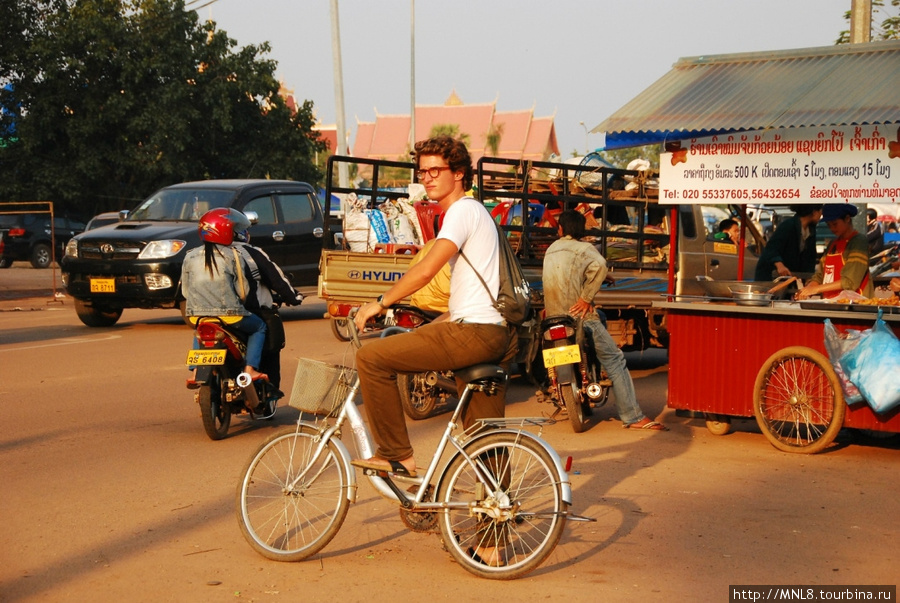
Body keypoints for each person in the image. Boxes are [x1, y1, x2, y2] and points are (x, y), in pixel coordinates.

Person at [350, 136, 518, 481]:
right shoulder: (477, 212)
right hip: (493, 332)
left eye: (435, 170)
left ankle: (396, 455)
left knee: (371, 359)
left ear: (458, 173)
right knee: (483, 435)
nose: (426, 178)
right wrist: (430, 327)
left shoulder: (461, 211)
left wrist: (378, 303)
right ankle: (497, 521)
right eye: (422, 171)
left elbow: (425, 271)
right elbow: (470, 297)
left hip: (475, 333)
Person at [542, 209, 667, 431]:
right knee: (616, 360)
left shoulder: (552, 249)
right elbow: (599, 265)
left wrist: (594, 282)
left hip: (554, 318)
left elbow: (569, 273)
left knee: (598, 317)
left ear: (560, 229)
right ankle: (633, 416)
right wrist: (585, 298)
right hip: (579, 318)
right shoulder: (584, 248)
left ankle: (576, 382)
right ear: (581, 230)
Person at [181, 208, 268, 385]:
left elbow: (185, 291)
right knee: (259, 328)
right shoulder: (232, 255)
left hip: (195, 315)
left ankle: (196, 371)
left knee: (201, 330)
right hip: (231, 314)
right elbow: (242, 290)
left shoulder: (189, 256)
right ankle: (250, 369)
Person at [232, 229, 305, 394]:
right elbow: (276, 280)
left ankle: (195, 370)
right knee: (266, 333)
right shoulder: (250, 253)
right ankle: (267, 388)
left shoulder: (201, 254)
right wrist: (293, 297)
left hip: (204, 314)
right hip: (248, 312)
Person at [796, 204, 873, 300]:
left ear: (847, 218)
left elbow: (850, 281)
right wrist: (809, 288)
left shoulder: (858, 241)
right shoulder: (832, 244)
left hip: (855, 305)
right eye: (829, 225)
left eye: (835, 224)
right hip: (831, 303)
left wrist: (817, 289)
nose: (832, 228)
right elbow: (820, 275)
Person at [754, 204, 823, 281]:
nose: (821, 214)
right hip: (770, 278)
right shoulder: (788, 225)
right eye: (820, 210)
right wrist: (779, 265)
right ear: (814, 212)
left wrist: (809, 278)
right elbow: (771, 249)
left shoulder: (810, 230)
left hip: (792, 279)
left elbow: (810, 258)